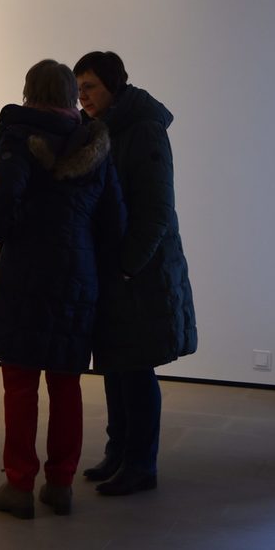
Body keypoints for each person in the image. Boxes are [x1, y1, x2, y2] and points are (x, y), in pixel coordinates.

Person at [0, 59, 125, 519]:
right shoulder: (95, 143)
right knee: (66, 384)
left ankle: (19, 485)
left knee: (20, 385)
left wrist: (6, 229)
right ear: (69, 96)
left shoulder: (19, 138)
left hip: (24, 272)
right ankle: (60, 484)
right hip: (76, 275)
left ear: (28, 92)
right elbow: (115, 221)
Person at [73, 51, 197, 496]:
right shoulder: (102, 128)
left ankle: (141, 464)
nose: (82, 95)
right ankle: (118, 452)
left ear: (113, 84)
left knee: (136, 367)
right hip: (117, 266)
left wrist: (129, 265)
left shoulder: (143, 129)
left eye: (89, 86)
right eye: (78, 87)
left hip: (140, 270)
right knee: (115, 363)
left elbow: (156, 210)